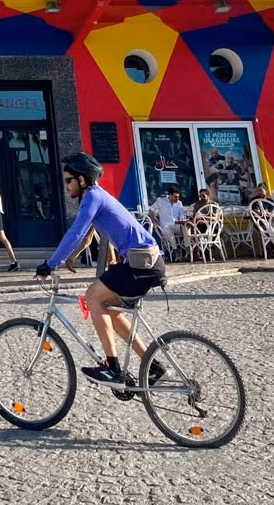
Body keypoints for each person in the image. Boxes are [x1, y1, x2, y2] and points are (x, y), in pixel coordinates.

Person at [36, 152, 167, 387]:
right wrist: (71, 258)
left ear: (82, 180)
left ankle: (112, 368)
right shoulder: (97, 197)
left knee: (92, 297)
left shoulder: (93, 198)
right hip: (143, 262)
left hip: (142, 262)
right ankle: (153, 365)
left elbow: (75, 231)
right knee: (110, 310)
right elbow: (87, 236)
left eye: (69, 180)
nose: (66, 186)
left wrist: (50, 263)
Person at [148, 185, 186, 251]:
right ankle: (175, 251)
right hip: (166, 226)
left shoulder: (179, 203)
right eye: (175, 197)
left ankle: (188, 250)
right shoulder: (161, 201)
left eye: (178, 197)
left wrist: (182, 220)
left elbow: (182, 214)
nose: (177, 199)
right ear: (170, 195)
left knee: (185, 228)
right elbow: (151, 210)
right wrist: (153, 222)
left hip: (176, 225)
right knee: (168, 231)